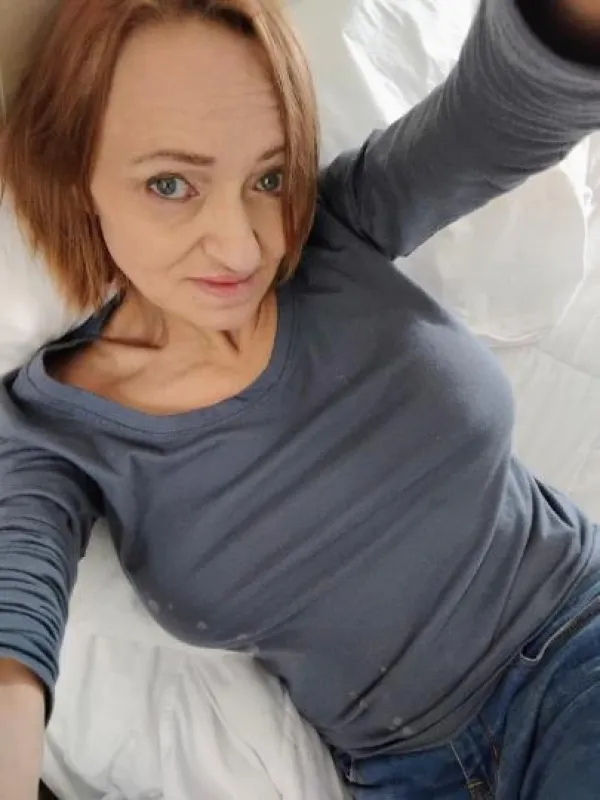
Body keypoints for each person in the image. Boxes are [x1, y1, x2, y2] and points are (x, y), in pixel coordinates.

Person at [0, 0, 599, 797]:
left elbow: (497, 118)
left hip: (571, 649)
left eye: (268, 178)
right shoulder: (50, 431)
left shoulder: (338, 228)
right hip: (403, 775)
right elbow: (13, 634)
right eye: (171, 184)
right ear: (78, 176)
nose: (242, 245)